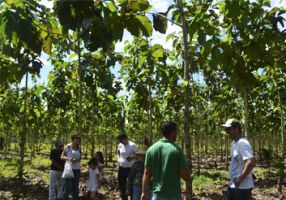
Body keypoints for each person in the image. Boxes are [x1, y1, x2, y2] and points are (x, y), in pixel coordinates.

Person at [141, 121, 192, 200]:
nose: (177, 134)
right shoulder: (177, 150)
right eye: (176, 132)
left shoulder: (151, 150)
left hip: (156, 195)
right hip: (173, 195)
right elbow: (184, 174)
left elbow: (147, 173)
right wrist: (189, 177)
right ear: (172, 132)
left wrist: (144, 193)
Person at [222, 119, 256, 200]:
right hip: (234, 185)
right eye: (226, 129)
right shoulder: (234, 143)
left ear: (236, 128)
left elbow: (251, 162)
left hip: (242, 188)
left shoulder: (242, 143)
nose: (227, 131)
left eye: (229, 129)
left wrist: (240, 179)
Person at [117, 133, 137, 200]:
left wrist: (131, 158)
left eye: (121, 141)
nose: (121, 142)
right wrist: (119, 159)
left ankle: (132, 196)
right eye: (120, 141)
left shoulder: (133, 145)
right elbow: (118, 151)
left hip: (130, 168)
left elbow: (138, 155)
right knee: (121, 182)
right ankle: (124, 196)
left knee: (131, 182)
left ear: (125, 139)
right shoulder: (120, 145)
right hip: (122, 167)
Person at [61, 134, 82, 200]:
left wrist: (76, 160)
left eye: (79, 139)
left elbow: (80, 157)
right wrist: (69, 159)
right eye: (76, 139)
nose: (78, 140)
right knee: (67, 186)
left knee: (75, 187)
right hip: (69, 169)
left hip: (77, 169)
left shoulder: (79, 147)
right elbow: (62, 156)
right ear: (72, 139)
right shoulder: (68, 147)